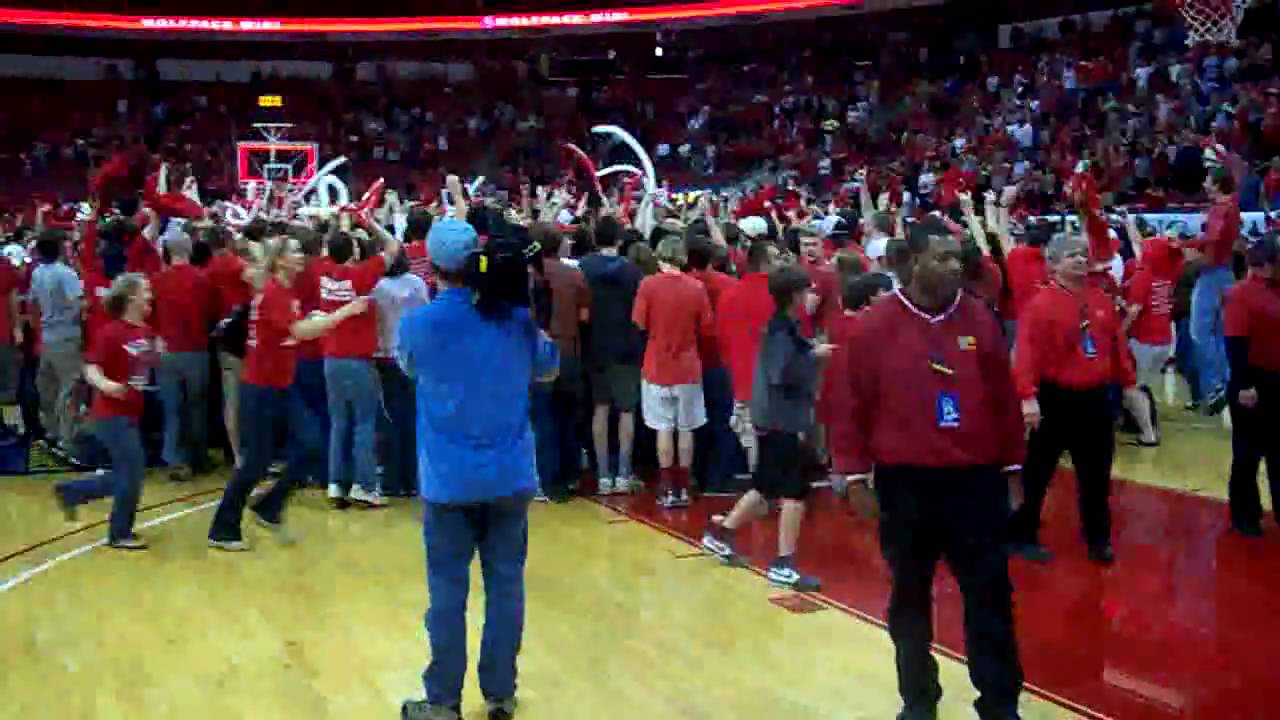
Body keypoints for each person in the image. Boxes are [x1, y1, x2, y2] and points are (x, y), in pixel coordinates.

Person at [828, 217, 1026, 720]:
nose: (953, 266)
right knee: (909, 600)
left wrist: (1013, 470)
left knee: (990, 597)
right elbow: (848, 406)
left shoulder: (980, 319)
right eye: (941, 257)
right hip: (905, 484)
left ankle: (1000, 704)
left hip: (974, 481)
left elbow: (1003, 400)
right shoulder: (873, 326)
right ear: (911, 261)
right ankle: (919, 701)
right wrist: (853, 477)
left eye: (957, 257)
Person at [397, 217, 559, 720]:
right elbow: (549, 366)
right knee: (506, 586)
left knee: (447, 592)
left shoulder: (420, 324)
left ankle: (443, 699)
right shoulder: (515, 320)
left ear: (434, 267)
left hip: (448, 480)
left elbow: (408, 368)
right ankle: (500, 693)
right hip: (510, 475)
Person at [207, 234, 369, 551]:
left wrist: (314, 318)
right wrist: (343, 313)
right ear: (279, 259)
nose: (301, 256)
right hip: (262, 389)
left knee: (311, 446)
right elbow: (298, 332)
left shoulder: (283, 292)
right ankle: (223, 528)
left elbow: (289, 328)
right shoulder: (274, 293)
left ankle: (269, 506)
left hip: (280, 386)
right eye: (294, 251)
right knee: (256, 464)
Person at [701, 264, 833, 590]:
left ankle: (722, 534)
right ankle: (783, 563)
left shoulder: (783, 327)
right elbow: (782, 373)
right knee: (794, 492)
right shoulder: (780, 331)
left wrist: (809, 351)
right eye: (805, 290)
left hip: (772, 418)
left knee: (764, 487)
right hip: (782, 420)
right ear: (794, 294)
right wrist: (814, 357)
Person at [1010, 234, 1137, 566]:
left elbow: (1116, 343)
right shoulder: (1040, 305)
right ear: (1053, 264)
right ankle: (1023, 534)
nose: (1080, 260)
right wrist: (1028, 397)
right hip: (1055, 398)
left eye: (1083, 254)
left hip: (1095, 397)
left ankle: (1098, 538)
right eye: (1071, 256)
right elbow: (1026, 354)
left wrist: (1127, 380)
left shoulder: (1101, 299)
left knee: (1096, 474)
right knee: (1038, 472)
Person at [53, 274, 156, 550]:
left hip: (132, 412)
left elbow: (143, 365)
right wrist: (106, 385)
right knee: (132, 473)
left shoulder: (145, 331)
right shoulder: (111, 332)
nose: (150, 294)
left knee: (127, 473)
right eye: (146, 289)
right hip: (111, 415)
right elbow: (90, 368)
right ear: (131, 295)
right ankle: (119, 533)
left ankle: (71, 492)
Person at [315, 219, 401, 508]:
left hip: (331, 359)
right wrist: (370, 222)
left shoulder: (322, 270)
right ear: (354, 251)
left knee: (339, 422)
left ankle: (336, 484)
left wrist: (340, 224)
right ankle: (365, 486)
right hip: (358, 360)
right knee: (364, 423)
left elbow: (327, 245)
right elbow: (392, 246)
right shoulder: (363, 275)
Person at [632, 236, 713, 507]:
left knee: (663, 428)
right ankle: (684, 488)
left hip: (656, 366)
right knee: (686, 428)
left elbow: (640, 324)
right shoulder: (697, 288)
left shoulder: (647, 285)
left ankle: (667, 489)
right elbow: (706, 327)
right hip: (688, 367)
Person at [578, 216, 644, 495]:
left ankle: (603, 474)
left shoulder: (585, 268)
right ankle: (624, 473)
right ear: (619, 239)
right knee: (627, 410)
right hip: (627, 348)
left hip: (595, 346)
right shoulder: (632, 271)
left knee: (601, 409)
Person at [1223, 232, 1280, 537]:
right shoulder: (1241, 294)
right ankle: (1244, 513)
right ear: (1266, 264)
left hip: (1276, 377)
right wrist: (1245, 384)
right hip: (1254, 380)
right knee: (1248, 452)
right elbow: (1235, 342)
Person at [529, 223, 590, 501]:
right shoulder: (574, 274)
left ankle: (545, 479)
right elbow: (585, 317)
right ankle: (571, 476)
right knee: (569, 416)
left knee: (542, 418)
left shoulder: (528, 276)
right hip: (569, 351)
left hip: (537, 353)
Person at [150, 229, 214, 479]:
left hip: (165, 350)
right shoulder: (203, 280)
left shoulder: (156, 280)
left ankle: (175, 460)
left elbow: (149, 314)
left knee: (171, 408)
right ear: (189, 250)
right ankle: (199, 456)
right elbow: (212, 314)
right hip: (196, 350)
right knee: (197, 406)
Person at [717, 241, 781, 473]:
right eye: (778, 258)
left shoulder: (729, 293)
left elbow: (721, 338)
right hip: (778, 379)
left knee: (751, 437)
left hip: (742, 379)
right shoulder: (780, 294)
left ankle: (759, 485)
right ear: (766, 262)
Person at [1182, 167, 1242, 415]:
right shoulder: (1233, 207)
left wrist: (1189, 248)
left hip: (1211, 276)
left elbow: (1214, 240)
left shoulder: (1220, 209)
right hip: (1226, 274)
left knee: (1199, 333)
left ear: (1217, 185)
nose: (1204, 184)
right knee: (1219, 334)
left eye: (1208, 180)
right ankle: (1227, 384)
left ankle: (1215, 387)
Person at [372, 247, 429, 497]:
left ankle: (391, 480)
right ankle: (413, 479)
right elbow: (425, 315)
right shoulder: (416, 283)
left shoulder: (377, 287)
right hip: (412, 356)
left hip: (385, 357)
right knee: (412, 418)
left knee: (390, 420)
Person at [29, 228, 83, 454]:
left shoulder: (37, 272)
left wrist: (38, 331)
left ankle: (50, 432)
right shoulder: (67, 274)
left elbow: (32, 305)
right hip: (67, 335)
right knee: (69, 388)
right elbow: (78, 304)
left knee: (47, 389)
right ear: (60, 247)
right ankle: (67, 439)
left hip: (47, 336)